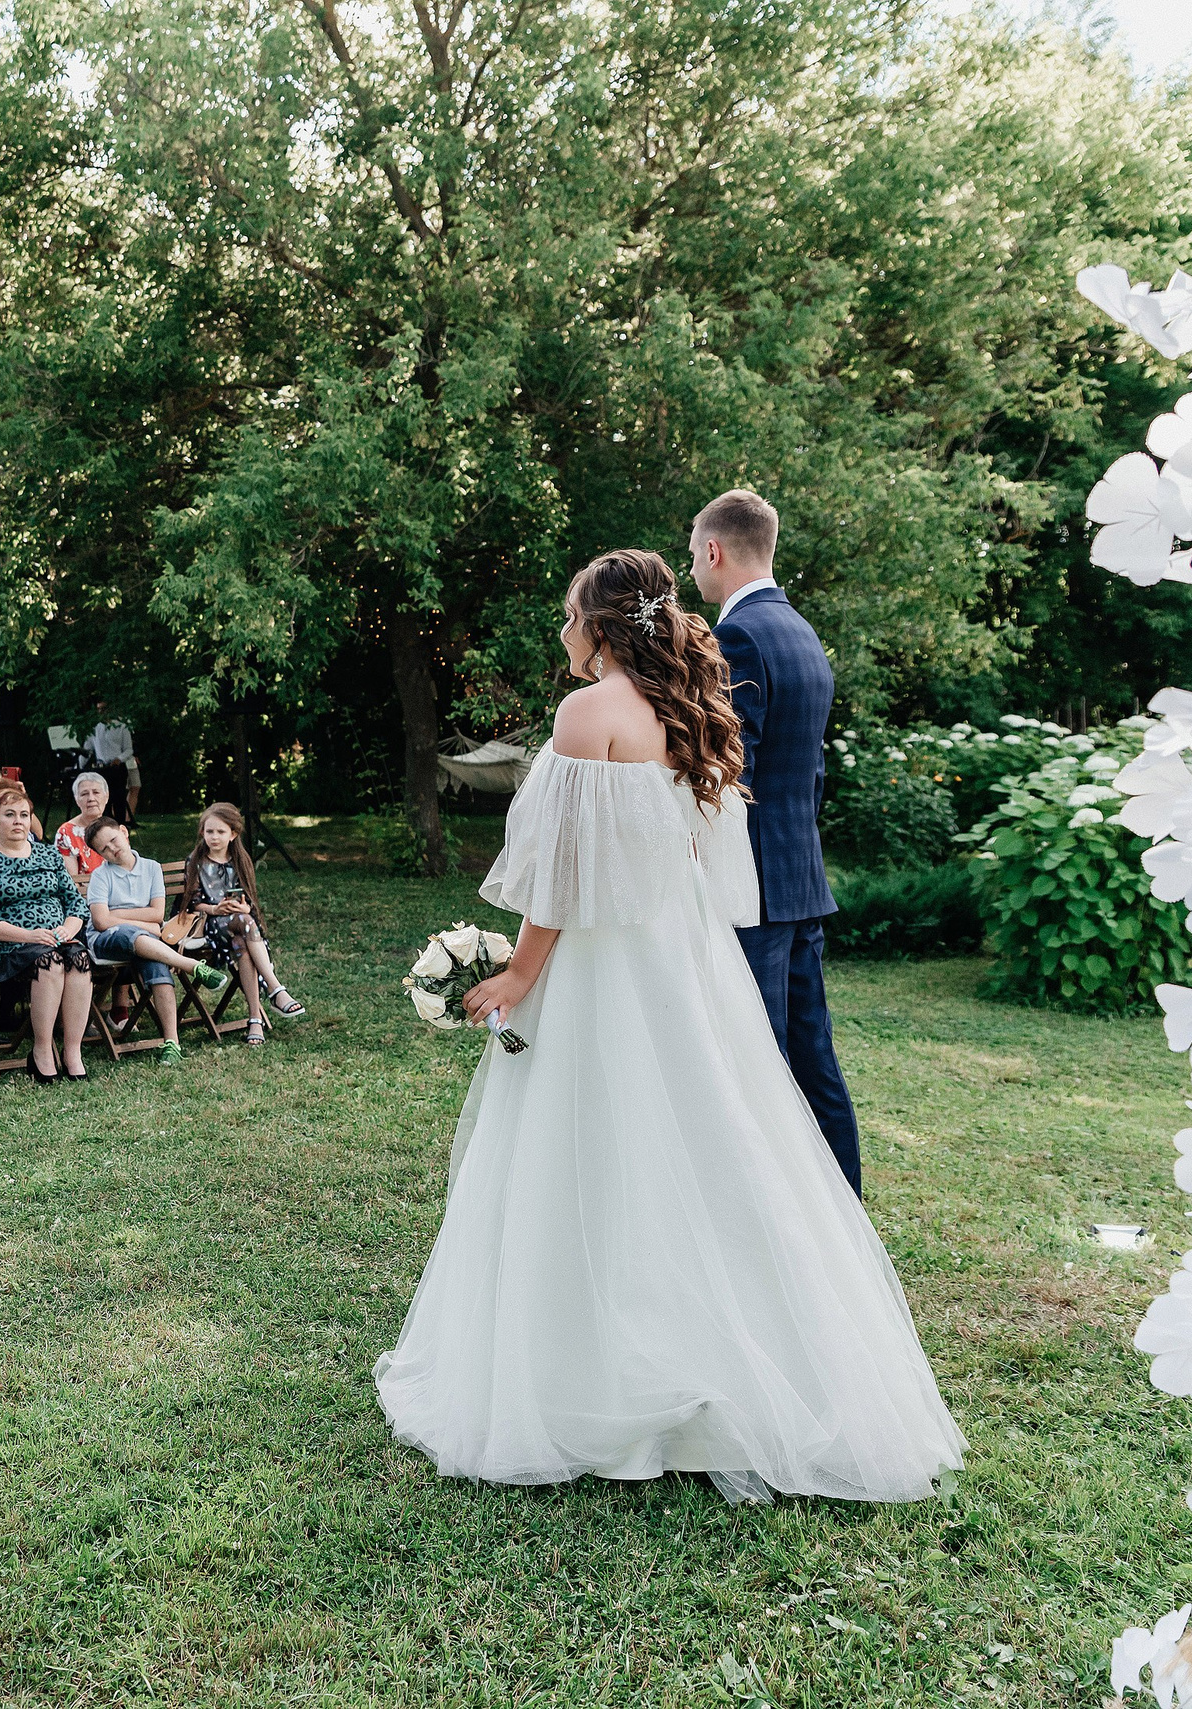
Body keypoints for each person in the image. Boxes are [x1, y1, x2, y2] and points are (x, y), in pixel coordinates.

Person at [371, 547, 965, 1502]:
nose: (561, 633)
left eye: (569, 615)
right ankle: (731, 1364)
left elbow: (563, 869)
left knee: (587, 1150)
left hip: (606, 967)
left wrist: (521, 969)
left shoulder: (586, 713)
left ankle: (589, 1377)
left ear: (600, 624)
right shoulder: (686, 712)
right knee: (708, 1147)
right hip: (684, 967)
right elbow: (696, 861)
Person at [691, 488, 861, 1195]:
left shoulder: (739, 637)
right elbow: (808, 773)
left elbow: (735, 772)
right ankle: (843, 1216)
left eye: (692, 552)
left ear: (714, 550)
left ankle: (779, 1231)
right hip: (798, 878)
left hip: (752, 887)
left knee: (755, 1066)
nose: (691, 567)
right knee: (812, 1062)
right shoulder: (799, 630)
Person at [0, 783, 94, 1082]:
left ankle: (73, 1052)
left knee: (79, 958)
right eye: (9, 814)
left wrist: (66, 931)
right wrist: (30, 935)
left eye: (24, 814)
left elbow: (76, 905)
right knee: (50, 961)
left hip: (54, 939)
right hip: (3, 947)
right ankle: (42, 1051)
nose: (19, 821)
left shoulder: (48, 856)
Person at [85, 820, 227, 1061]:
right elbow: (100, 922)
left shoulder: (151, 868)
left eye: (113, 841)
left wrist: (116, 915)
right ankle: (190, 966)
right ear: (99, 854)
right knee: (131, 934)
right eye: (104, 849)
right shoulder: (101, 875)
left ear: (123, 832)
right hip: (105, 942)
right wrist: (141, 923)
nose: (112, 849)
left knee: (158, 966)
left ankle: (172, 1042)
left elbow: (157, 915)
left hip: (146, 943)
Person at [184, 803, 307, 1045]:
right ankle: (275, 989)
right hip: (209, 925)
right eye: (209, 832)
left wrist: (243, 908)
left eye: (220, 832)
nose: (214, 837)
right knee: (245, 925)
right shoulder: (196, 861)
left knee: (242, 941)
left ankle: (255, 1021)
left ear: (233, 834)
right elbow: (191, 904)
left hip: (239, 928)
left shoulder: (240, 859)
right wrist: (215, 909)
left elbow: (249, 902)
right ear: (202, 833)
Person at [52, 771, 113, 887]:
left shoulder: (114, 830)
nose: (91, 798)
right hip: (85, 898)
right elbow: (72, 882)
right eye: (84, 794)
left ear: (107, 796)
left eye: (96, 792)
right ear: (77, 800)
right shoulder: (66, 833)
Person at [88, 705, 139, 824]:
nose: (101, 712)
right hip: (101, 768)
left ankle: (120, 827)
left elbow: (128, 750)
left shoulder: (121, 727)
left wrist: (119, 759)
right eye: (99, 710)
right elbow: (88, 749)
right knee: (103, 800)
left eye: (104, 709)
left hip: (117, 768)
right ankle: (104, 827)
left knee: (118, 799)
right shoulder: (95, 728)